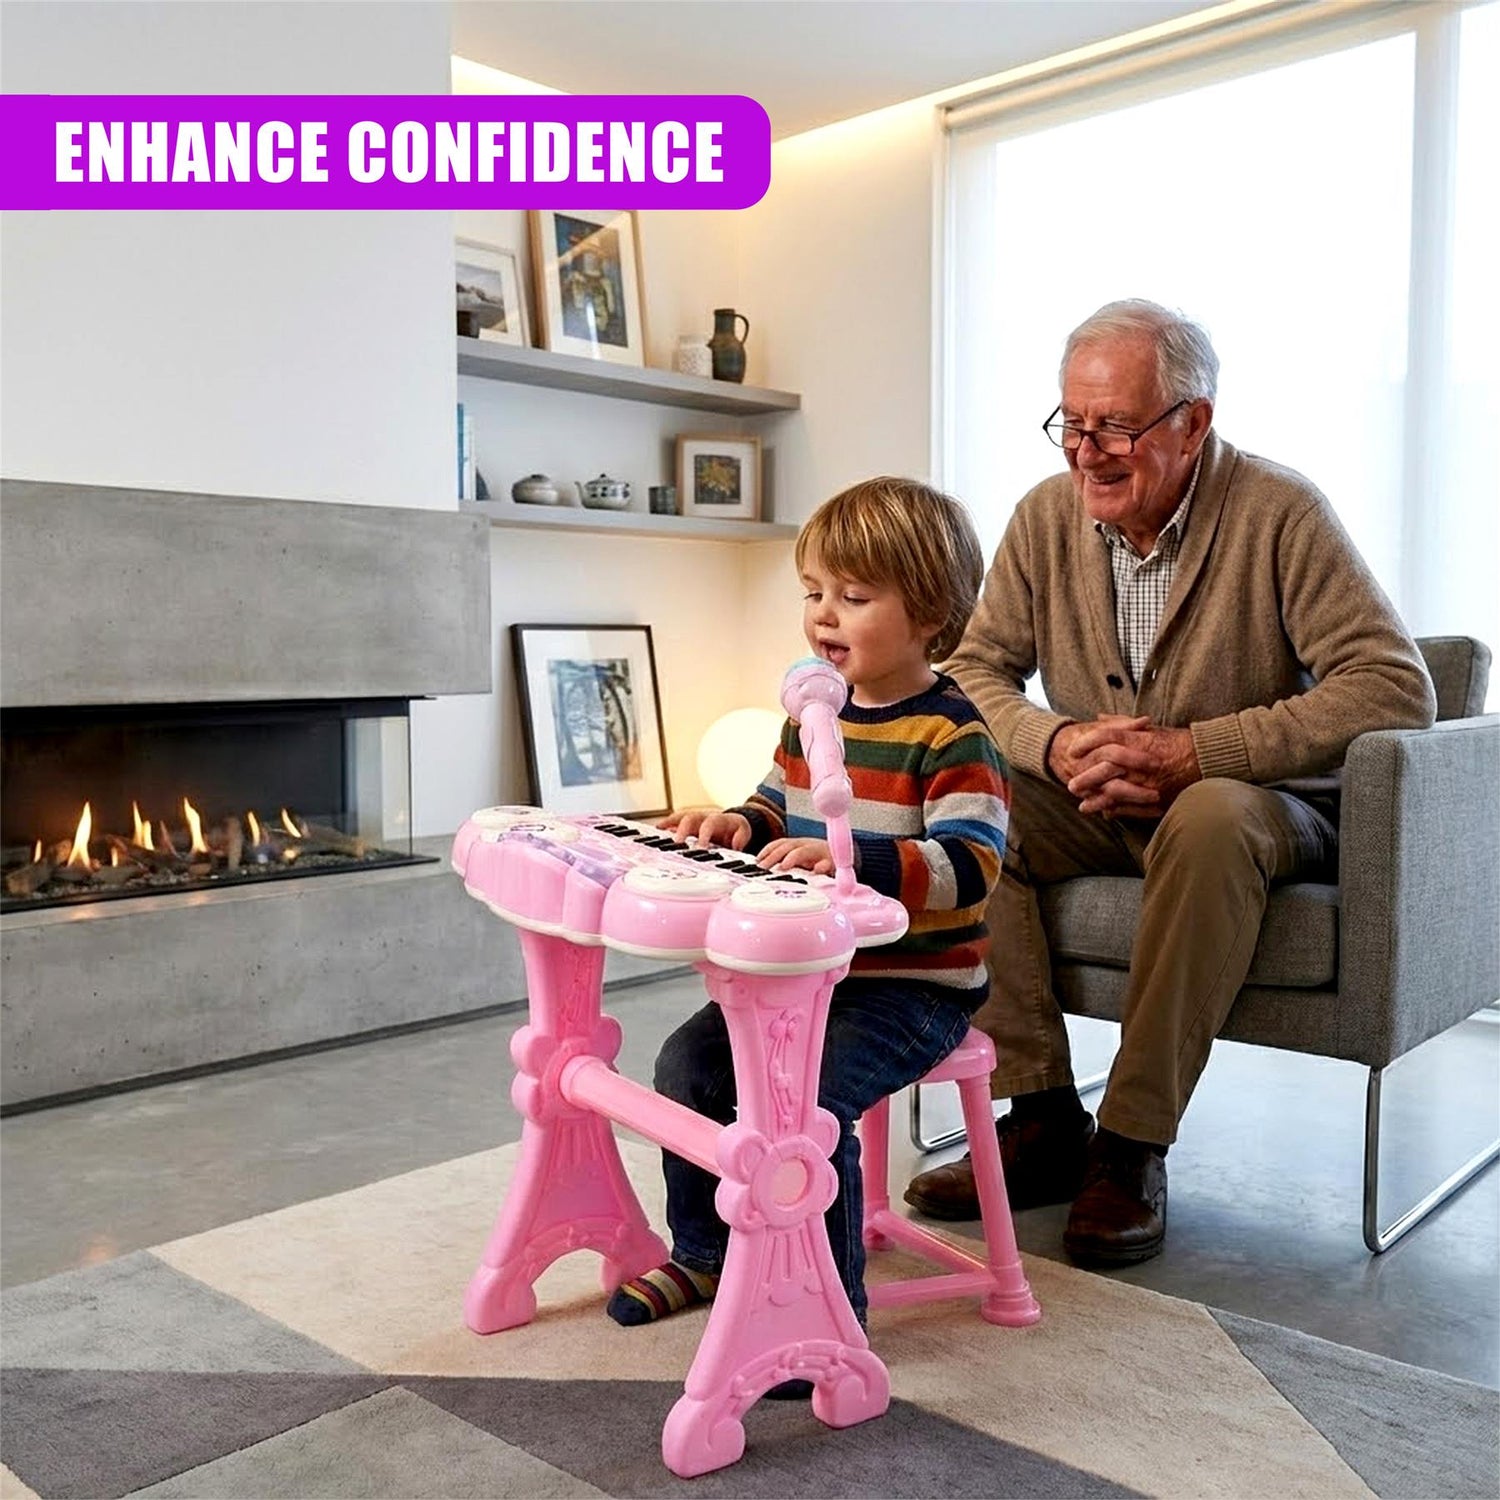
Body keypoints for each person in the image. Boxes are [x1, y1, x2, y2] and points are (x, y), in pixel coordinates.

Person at [904, 299, 1436, 1268]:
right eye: (1072, 424)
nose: (1087, 453)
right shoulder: (1044, 517)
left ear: (1194, 422)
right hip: (1099, 801)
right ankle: (1042, 1118)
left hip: (1257, 810)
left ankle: (1130, 1146)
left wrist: (1198, 753)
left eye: (1115, 427)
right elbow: (974, 669)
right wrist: (1055, 743)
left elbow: (1394, 685)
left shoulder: (1280, 511)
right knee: (978, 806)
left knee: (1210, 814)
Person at [607, 476, 1010, 1392]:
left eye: (854, 596)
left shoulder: (954, 737)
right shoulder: (809, 718)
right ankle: (706, 1253)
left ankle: (823, 1307)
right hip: (806, 984)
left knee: (804, 1101)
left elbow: (971, 866)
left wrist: (852, 858)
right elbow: (772, 807)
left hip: (912, 991)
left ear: (930, 616)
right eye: (814, 592)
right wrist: (735, 825)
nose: (825, 614)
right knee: (687, 1066)